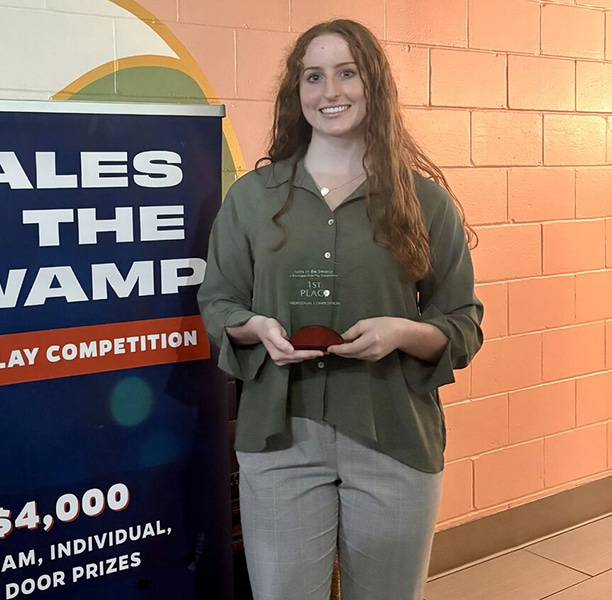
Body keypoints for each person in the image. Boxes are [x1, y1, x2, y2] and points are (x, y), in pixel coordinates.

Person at [197, 19, 483, 600]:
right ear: (295, 93)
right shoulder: (253, 199)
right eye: (314, 76)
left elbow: (461, 324)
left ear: (373, 85)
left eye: (347, 73)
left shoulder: (423, 201)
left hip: (393, 435)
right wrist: (254, 328)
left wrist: (403, 331)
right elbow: (218, 299)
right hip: (280, 436)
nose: (331, 91)